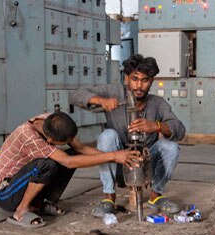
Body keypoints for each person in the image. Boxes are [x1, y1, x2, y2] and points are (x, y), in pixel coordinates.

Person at [69, 54, 186, 217]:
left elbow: (179, 129)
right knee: (107, 136)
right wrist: (101, 100)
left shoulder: (158, 103)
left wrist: (156, 126)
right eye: (135, 79)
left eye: (145, 80)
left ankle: (156, 196)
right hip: (118, 162)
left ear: (151, 81)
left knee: (171, 147)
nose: (139, 85)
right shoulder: (113, 92)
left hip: (145, 165)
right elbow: (75, 95)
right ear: (126, 78)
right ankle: (108, 198)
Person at [0, 111, 142, 228]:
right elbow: (69, 162)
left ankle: (37, 204)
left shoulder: (52, 122)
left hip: (23, 184)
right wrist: (114, 156)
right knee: (48, 164)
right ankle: (21, 211)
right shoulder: (30, 137)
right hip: (6, 193)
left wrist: (118, 158)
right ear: (50, 140)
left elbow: (81, 149)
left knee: (73, 154)